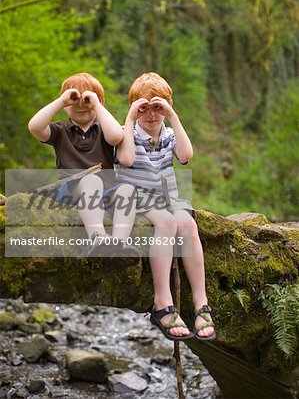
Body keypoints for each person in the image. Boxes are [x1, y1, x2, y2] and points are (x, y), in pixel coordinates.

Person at [116, 72, 215, 341]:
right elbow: (125, 160)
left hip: (168, 198)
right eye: (144, 108)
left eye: (157, 108)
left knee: (188, 224)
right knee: (167, 222)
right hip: (138, 198)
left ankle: (201, 303)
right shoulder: (125, 133)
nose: (151, 115)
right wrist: (129, 118)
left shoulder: (170, 134)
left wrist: (173, 116)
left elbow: (186, 156)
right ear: (135, 108)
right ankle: (162, 302)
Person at [28, 72, 138, 257]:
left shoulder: (103, 128)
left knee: (127, 189)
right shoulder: (60, 131)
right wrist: (62, 101)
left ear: (98, 102)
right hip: (71, 190)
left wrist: (96, 104)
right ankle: (98, 237)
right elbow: (35, 127)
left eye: (87, 100)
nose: (81, 105)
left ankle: (119, 243)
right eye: (74, 100)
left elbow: (116, 137)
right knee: (91, 181)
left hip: (106, 190)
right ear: (66, 106)